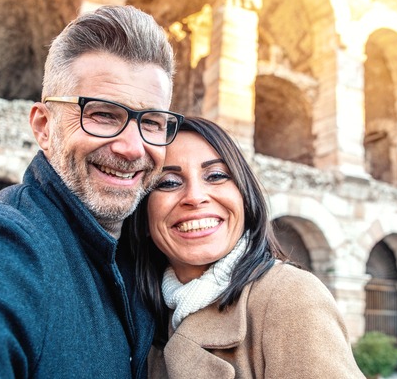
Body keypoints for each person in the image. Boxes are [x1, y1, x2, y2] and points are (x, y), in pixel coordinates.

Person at [0, 5, 184, 378]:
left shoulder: (148, 263)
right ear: (43, 126)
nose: (132, 147)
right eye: (103, 115)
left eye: (152, 122)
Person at [125, 117, 364, 378]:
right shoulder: (140, 310)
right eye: (168, 182)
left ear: (244, 197)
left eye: (216, 176)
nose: (194, 197)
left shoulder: (290, 298)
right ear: (144, 214)